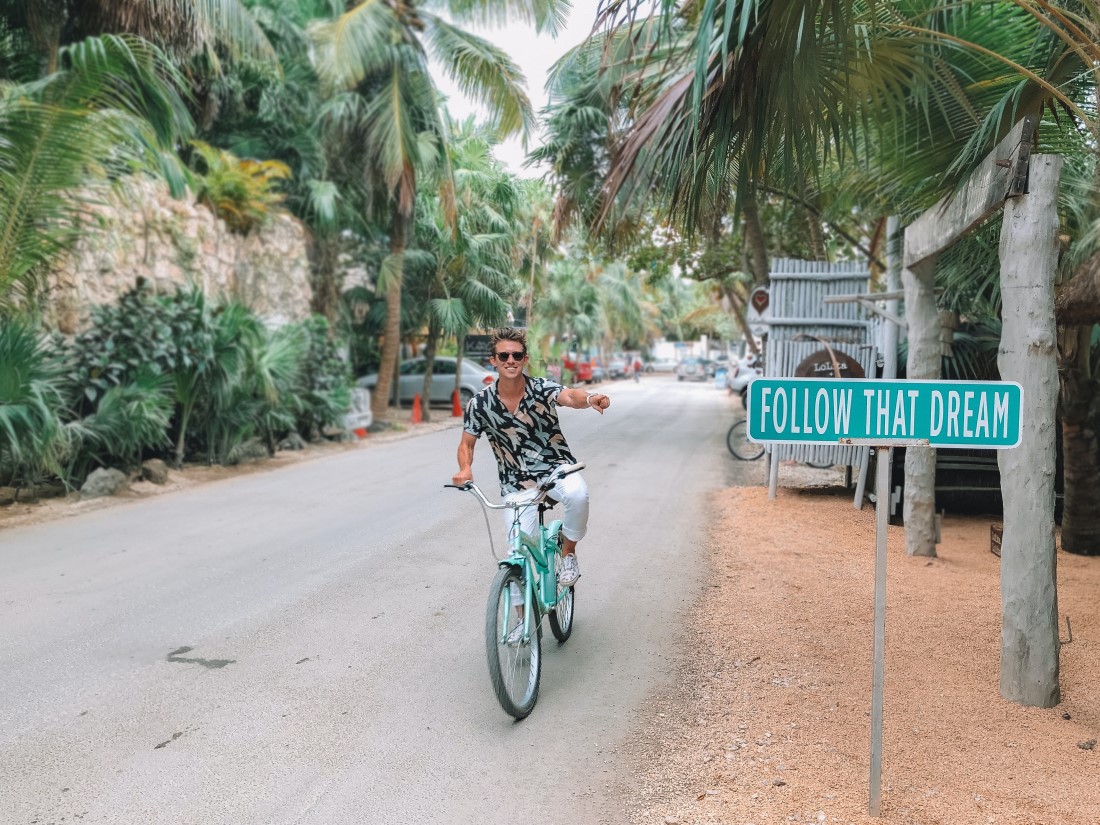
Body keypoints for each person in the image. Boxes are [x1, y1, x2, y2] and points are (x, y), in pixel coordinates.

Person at [452, 327, 610, 587]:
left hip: (556, 468)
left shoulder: (541, 388)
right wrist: (464, 469)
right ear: (493, 360)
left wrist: (591, 398)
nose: (510, 361)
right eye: (503, 356)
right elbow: (466, 444)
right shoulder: (479, 404)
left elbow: (570, 395)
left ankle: (568, 552)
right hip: (516, 482)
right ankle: (520, 625)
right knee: (517, 557)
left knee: (578, 494)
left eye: (516, 355)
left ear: (525, 359)